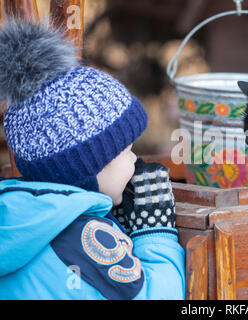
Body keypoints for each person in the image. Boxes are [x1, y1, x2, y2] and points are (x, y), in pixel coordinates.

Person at [0, 18, 185, 300]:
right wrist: (154, 233)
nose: (135, 161)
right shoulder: (86, 240)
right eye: (126, 151)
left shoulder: (20, 220)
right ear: (87, 167)